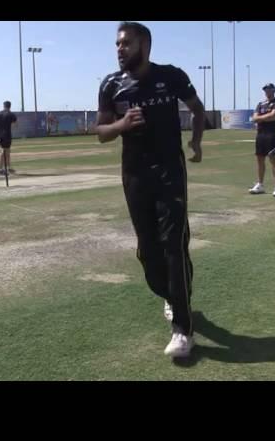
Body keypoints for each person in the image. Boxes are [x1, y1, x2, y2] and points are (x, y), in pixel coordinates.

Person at [96, 22, 205, 358]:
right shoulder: (111, 84)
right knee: (148, 251)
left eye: (126, 43)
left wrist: (196, 143)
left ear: (144, 44)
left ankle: (183, 330)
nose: (119, 49)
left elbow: (198, 109)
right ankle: (172, 297)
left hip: (171, 172)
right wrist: (121, 125)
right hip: (135, 176)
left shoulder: (171, 75)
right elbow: (101, 131)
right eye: (117, 43)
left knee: (174, 246)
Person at [249, 83, 275, 197]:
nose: (267, 92)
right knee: (259, 159)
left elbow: (274, 116)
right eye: (265, 90)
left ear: (274, 90)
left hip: (272, 134)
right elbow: (254, 118)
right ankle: (260, 185)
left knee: (273, 159)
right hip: (260, 135)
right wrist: (263, 118)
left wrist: (260, 118)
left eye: (269, 89)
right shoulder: (260, 104)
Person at [0, 101, 17, 175]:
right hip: (7, 135)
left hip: (0, 135)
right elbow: (15, 125)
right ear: (10, 106)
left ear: (4, 106)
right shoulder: (11, 115)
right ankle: (0, 169)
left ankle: (8, 167)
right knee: (4, 151)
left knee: (7, 151)